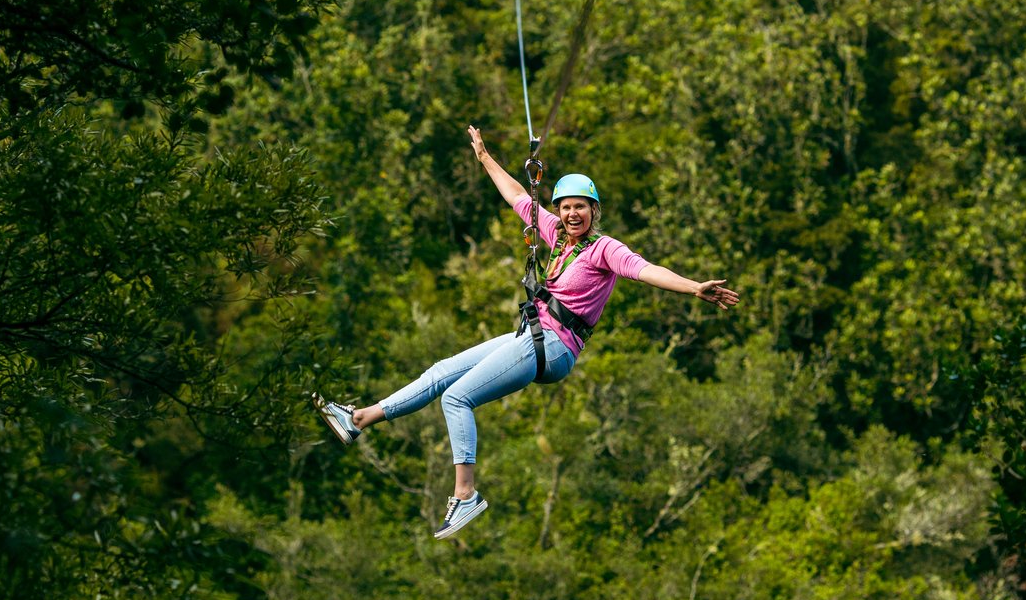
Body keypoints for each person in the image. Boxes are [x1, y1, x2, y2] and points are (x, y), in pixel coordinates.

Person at [313, 124, 740, 539]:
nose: (572, 214)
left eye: (581, 207)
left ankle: (466, 495)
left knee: (457, 397)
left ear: (594, 211)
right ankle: (359, 419)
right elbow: (517, 193)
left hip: (554, 348)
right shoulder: (551, 233)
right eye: (565, 206)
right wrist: (484, 158)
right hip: (531, 334)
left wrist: (693, 287)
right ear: (557, 210)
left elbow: (646, 271)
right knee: (442, 372)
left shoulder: (605, 249)